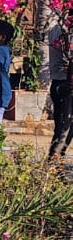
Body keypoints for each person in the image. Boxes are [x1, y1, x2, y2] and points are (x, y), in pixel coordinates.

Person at [47, 20, 73, 159]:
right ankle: (54, 160)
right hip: (65, 83)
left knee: (63, 126)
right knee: (63, 127)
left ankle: (56, 159)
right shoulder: (63, 31)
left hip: (59, 82)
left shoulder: (56, 28)